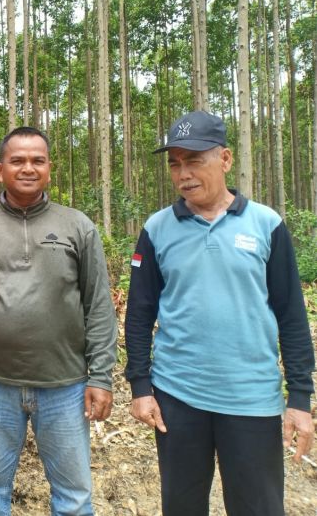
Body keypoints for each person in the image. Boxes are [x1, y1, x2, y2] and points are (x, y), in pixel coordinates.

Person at [125, 110, 315, 516]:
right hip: (177, 397)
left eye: (194, 160)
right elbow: (139, 314)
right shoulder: (157, 229)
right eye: (175, 163)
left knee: (258, 507)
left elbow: (292, 317)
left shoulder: (266, 225)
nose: (183, 174)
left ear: (225, 159)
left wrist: (300, 397)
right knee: (182, 506)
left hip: (252, 398)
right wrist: (140, 386)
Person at [0, 126, 117, 516]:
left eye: (37, 160)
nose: (28, 168)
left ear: (49, 168)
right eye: (17, 160)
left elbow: (99, 306)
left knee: (73, 498)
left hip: (66, 385)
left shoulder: (77, 226)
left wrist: (101, 377)